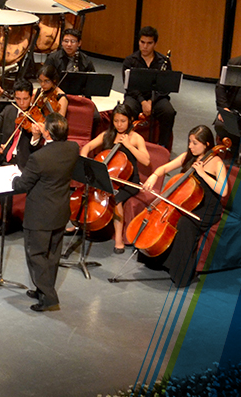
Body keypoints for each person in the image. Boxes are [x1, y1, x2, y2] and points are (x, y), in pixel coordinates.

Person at [141, 125, 229, 287]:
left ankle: (182, 273)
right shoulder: (188, 156)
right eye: (189, 142)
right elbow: (165, 168)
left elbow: (223, 190)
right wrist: (154, 175)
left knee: (184, 224)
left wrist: (202, 174)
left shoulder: (217, 163)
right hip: (188, 202)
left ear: (207, 144)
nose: (190, 146)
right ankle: (160, 260)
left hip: (206, 208)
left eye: (195, 143)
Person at [12, 112, 77, 312]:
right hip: (60, 211)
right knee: (52, 255)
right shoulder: (73, 148)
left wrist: (14, 178)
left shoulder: (38, 158)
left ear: (47, 133)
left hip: (40, 215)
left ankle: (48, 297)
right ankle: (42, 289)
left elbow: (22, 185)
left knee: (36, 255)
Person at [0, 80, 47, 231]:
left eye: (25, 99)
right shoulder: (9, 110)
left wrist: (35, 136)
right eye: (18, 99)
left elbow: (37, 147)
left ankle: (7, 221)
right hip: (4, 158)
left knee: (7, 182)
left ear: (31, 98)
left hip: (23, 163)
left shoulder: (38, 117)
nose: (21, 103)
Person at [79, 104, 150, 252]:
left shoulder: (136, 138)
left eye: (123, 121)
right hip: (108, 177)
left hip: (128, 181)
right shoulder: (107, 134)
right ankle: (79, 224)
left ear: (130, 120)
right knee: (87, 191)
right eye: (116, 121)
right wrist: (84, 160)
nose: (119, 125)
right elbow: (87, 147)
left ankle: (118, 238)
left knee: (115, 199)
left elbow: (146, 161)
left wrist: (129, 146)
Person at [122, 25, 176, 149]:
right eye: (142, 42)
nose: (145, 46)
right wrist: (143, 102)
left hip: (156, 98)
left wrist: (151, 101)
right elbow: (129, 86)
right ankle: (125, 144)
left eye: (149, 43)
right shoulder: (130, 61)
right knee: (127, 110)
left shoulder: (163, 61)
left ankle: (163, 146)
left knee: (168, 112)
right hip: (136, 97)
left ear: (155, 44)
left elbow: (165, 87)